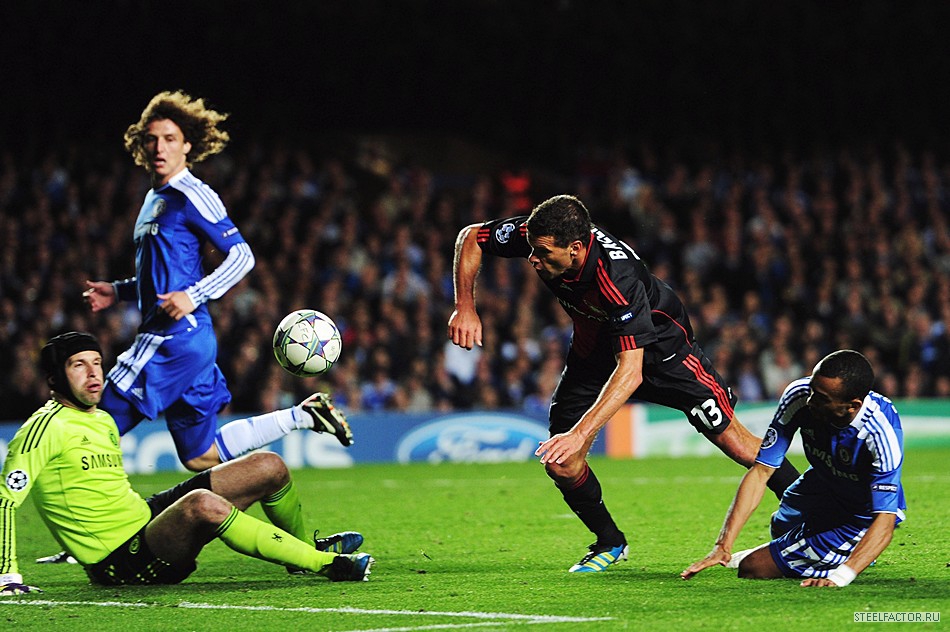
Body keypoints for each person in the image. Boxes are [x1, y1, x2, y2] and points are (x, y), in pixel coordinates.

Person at [448, 194, 800, 573]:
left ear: (576, 249)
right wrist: (465, 306)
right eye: (532, 249)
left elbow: (631, 371)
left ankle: (815, 513)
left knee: (740, 446)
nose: (533, 259)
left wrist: (580, 433)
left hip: (665, 355)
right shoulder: (541, 234)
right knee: (562, 463)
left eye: (543, 253)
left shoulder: (617, 278)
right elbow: (471, 237)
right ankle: (609, 542)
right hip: (593, 357)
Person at [81, 91, 351, 474]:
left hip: (172, 339)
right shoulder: (154, 198)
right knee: (200, 455)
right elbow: (163, 273)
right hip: (189, 340)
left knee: (93, 426)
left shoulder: (192, 194)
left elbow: (242, 256)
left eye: (170, 139)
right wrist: (118, 290)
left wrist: (194, 296)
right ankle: (304, 416)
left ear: (187, 146)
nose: (159, 147)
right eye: (152, 139)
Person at [0, 332, 373, 596]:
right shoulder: (44, 428)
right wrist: (7, 576)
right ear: (54, 377)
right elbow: (5, 500)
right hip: (118, 560)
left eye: (97, 363)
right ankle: (323, 563)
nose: (94, 373)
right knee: (201, 504)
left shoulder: (101, 420)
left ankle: (298, 551)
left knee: (268, 466)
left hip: (145, 520)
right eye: (78, 365)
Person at [681, 350, 905, 587]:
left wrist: (841, 576)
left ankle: (855, 551)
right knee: (781, 525)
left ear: (852, 405)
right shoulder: (799, 395)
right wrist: (723, 545)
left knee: (753, 567)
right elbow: (761, 472)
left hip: (861, 512)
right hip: (824, 480)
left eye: (821, 398)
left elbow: (885, 518)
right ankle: (840, 550)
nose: (810, 401)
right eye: (812, 389)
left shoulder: (880, 432)